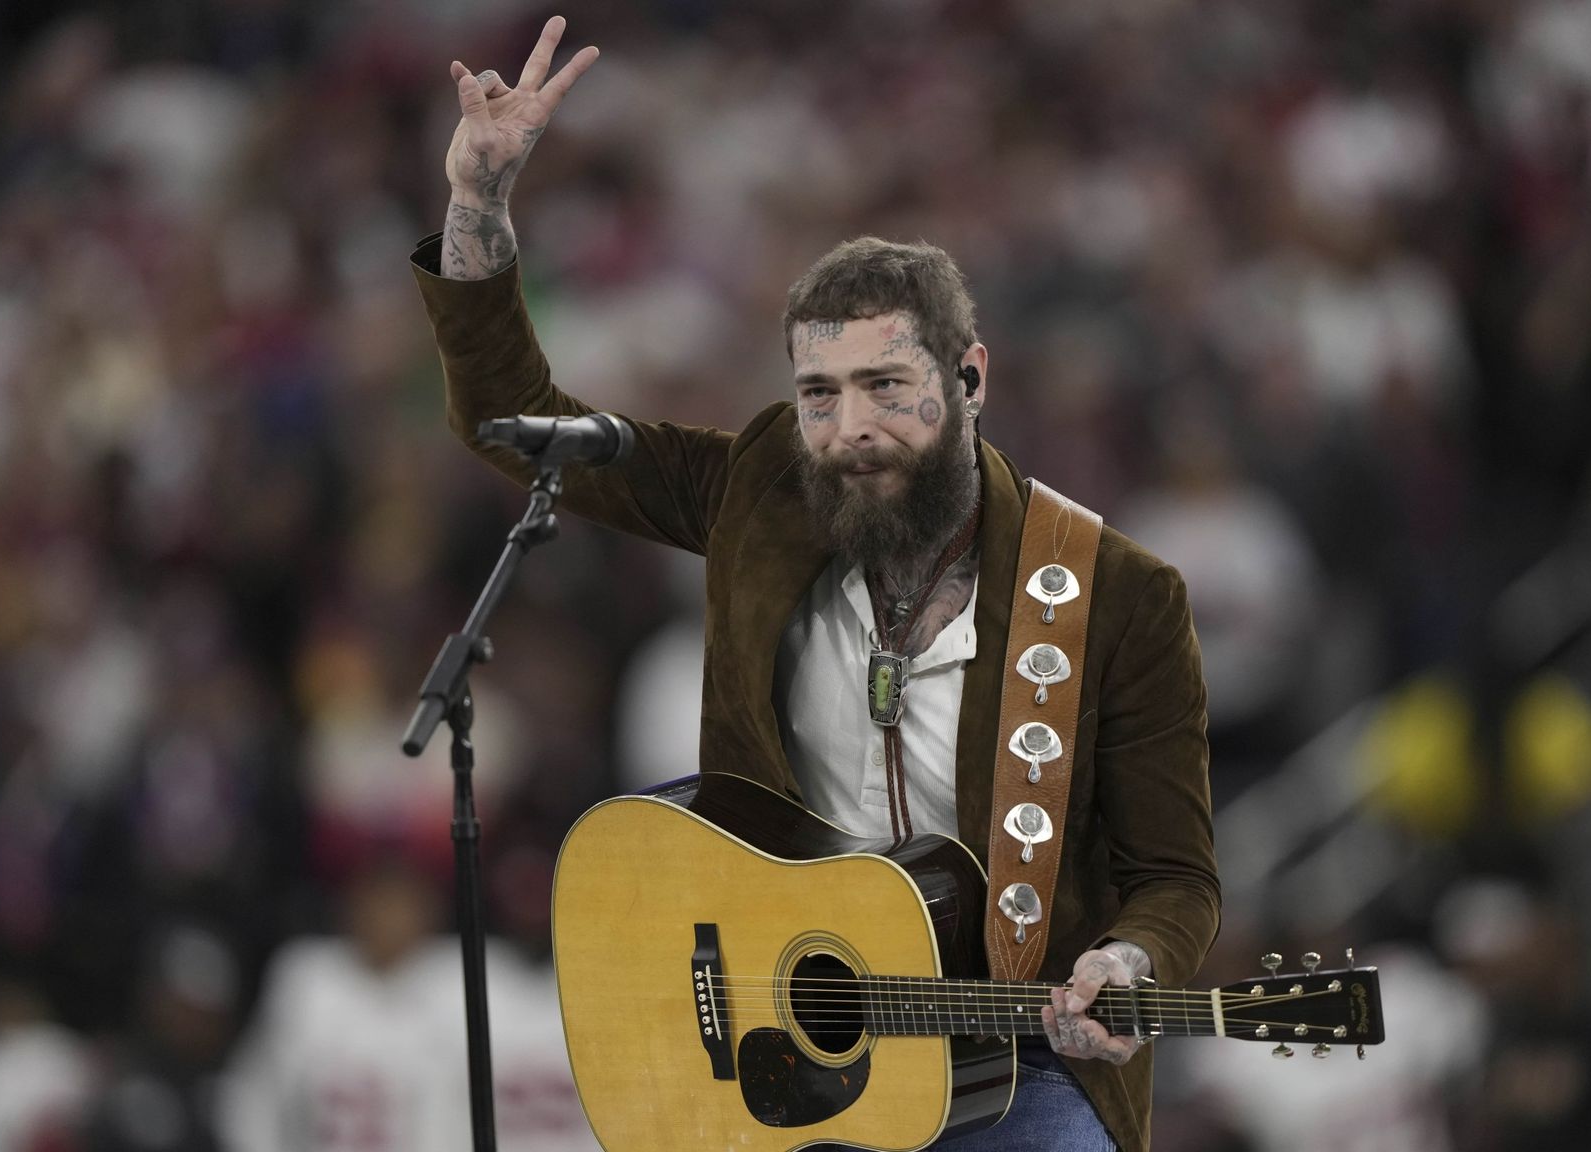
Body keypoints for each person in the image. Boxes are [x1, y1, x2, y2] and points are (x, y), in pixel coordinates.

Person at [411, 17, 1219, 1151]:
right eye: (818, 393)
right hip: (770, 1053)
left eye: (886, 384)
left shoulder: (1117, 594)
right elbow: (516, 428)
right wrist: (479, 205)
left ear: (970, 376)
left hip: (1010, 1060)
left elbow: (1174, 875)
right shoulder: (760, 489)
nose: (848, 430)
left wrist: (1127, 961)